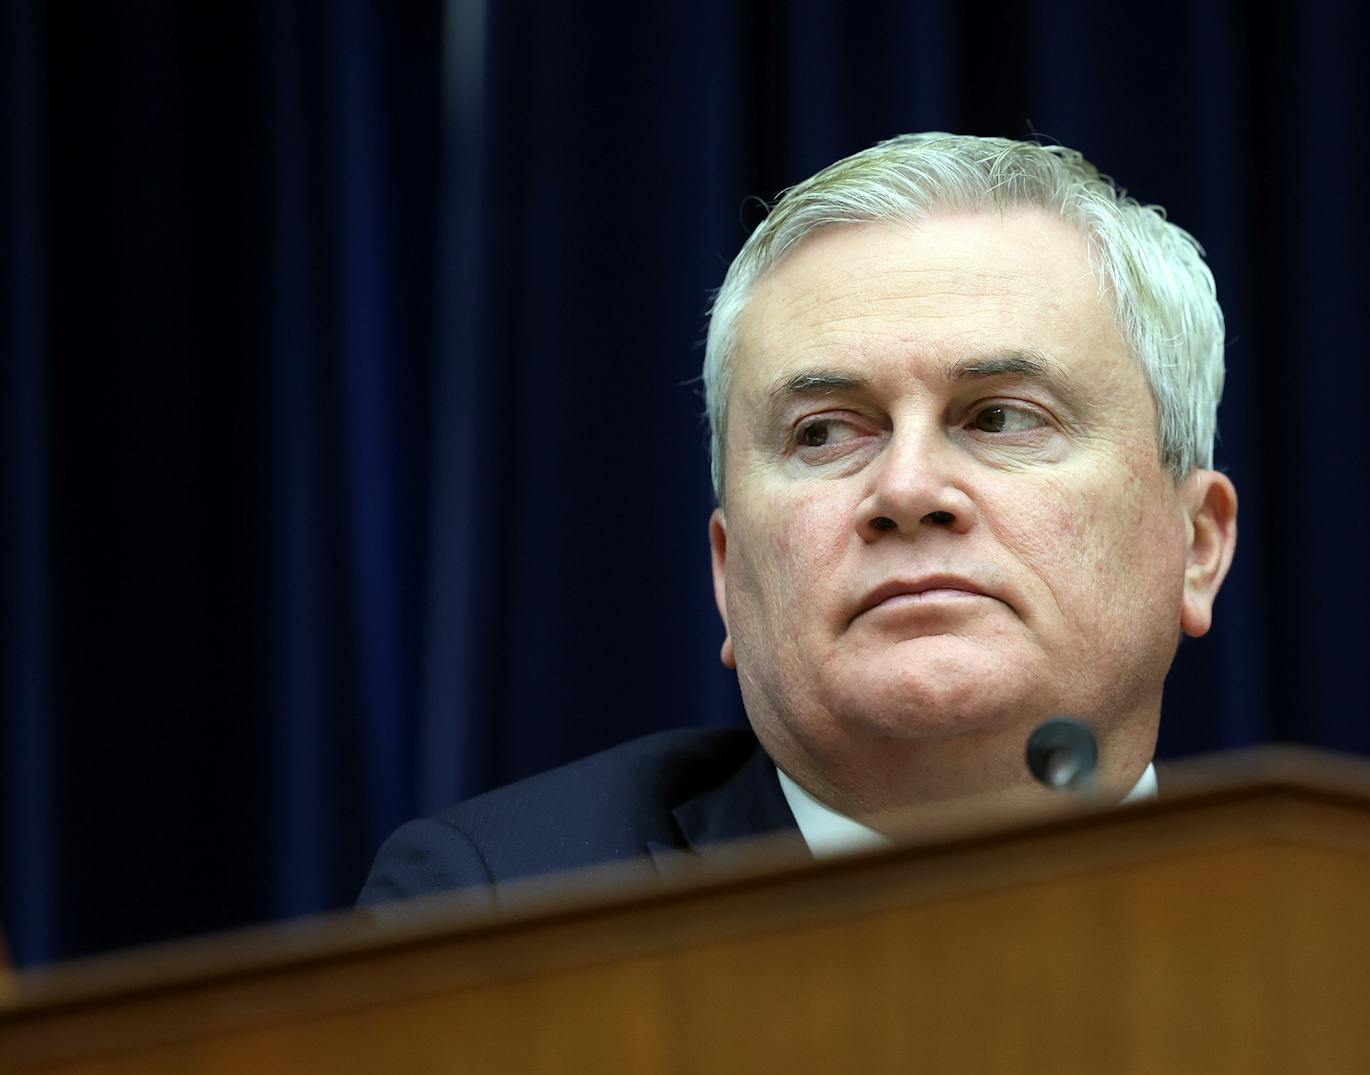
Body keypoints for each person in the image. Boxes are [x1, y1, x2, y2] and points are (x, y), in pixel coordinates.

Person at [359, 132, 1238, 905]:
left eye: (1001, 417)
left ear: (1196, 545)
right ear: (728, 572)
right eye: (823, 433)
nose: (907, 489)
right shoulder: (498, 911)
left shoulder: (1315, 932)